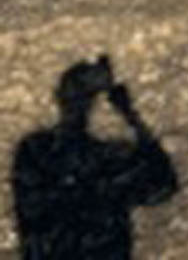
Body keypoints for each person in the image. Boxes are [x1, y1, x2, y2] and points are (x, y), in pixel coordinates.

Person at [11, 56, 178, 258]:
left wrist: (131, 117)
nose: (77, 105)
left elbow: (163, 184)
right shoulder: (39, 151)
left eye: (81, 96)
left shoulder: (38, 151)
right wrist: (132, 118)